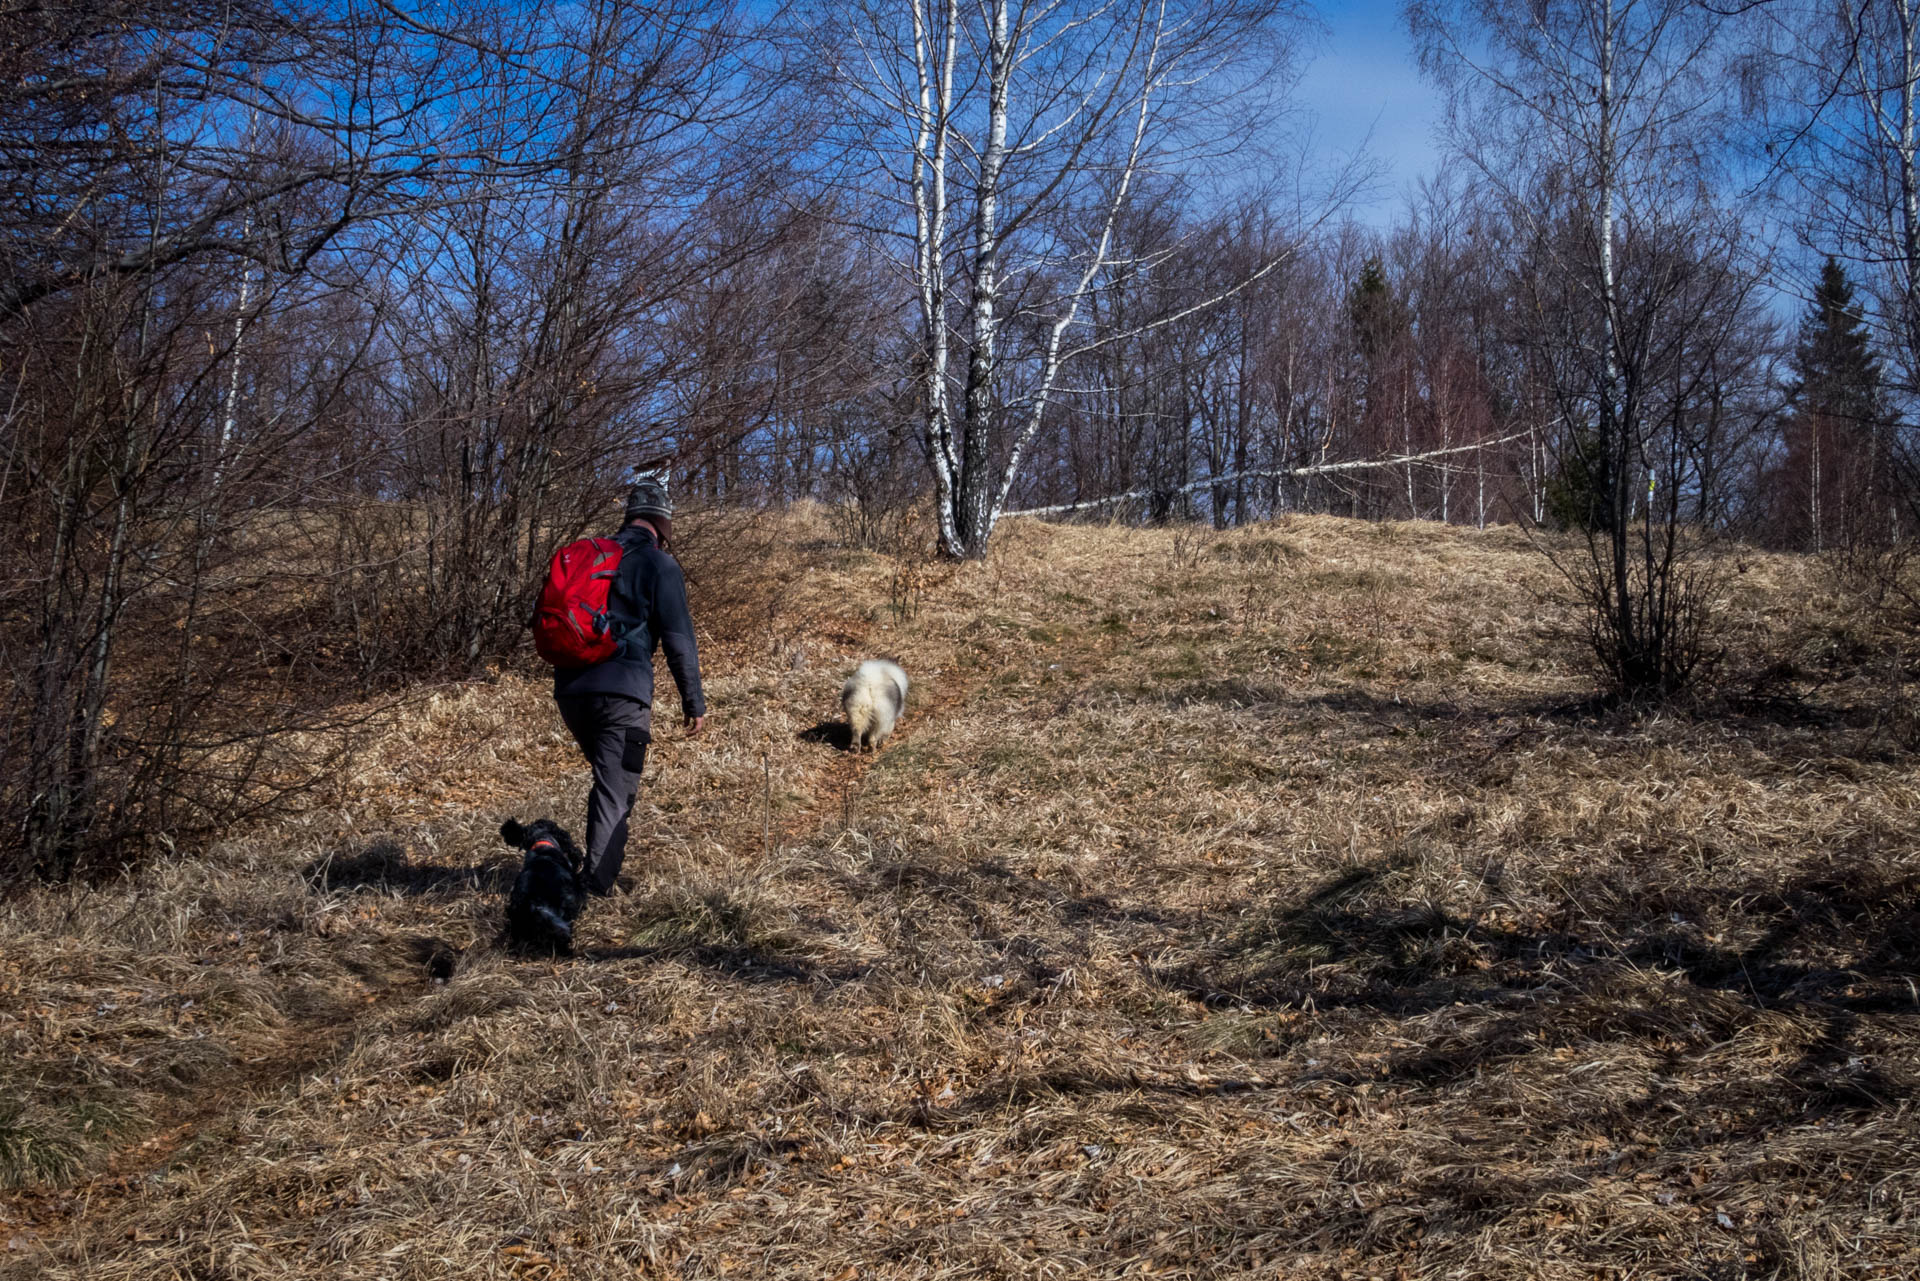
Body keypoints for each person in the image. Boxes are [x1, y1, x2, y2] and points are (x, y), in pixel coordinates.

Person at [551, 474, 707, 896]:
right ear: (663, 523)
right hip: (622, 694)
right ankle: (593, 891)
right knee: (616, 791)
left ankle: (591, 871)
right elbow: (679, 640)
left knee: (609, 781)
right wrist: (694, 701)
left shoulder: (594, 554)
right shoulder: (660, 564)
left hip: (570, 689)